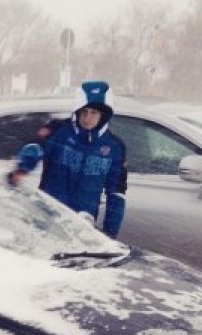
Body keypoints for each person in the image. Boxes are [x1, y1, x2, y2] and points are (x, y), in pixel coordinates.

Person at [7, 80, 127, 238]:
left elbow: (116, 194)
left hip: (82, 225)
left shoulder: (115, 147)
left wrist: (110, 234)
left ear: (103, 116)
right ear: (77, 111)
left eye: (94, 113)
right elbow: (35, 147)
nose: (88, 118)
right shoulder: (58, 130)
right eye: (85, 112)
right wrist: (22, 168)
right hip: (46, 217)